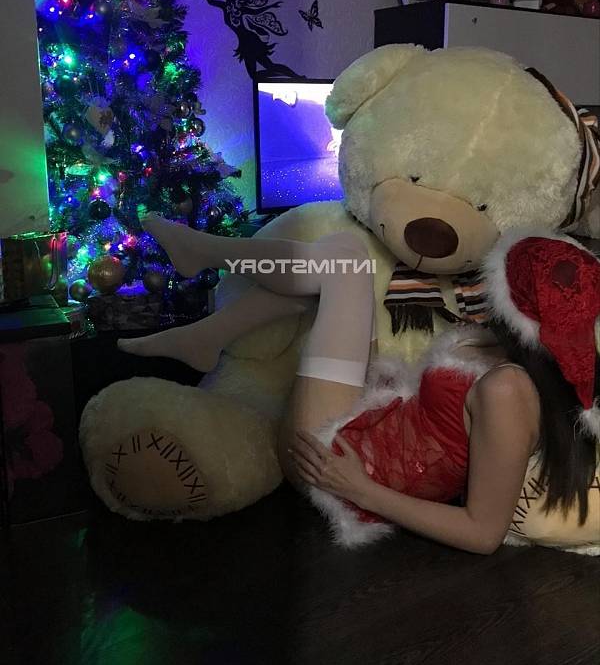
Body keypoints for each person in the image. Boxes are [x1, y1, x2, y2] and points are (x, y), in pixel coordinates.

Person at [119, 217, 600, 554]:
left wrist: (359, 489)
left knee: (343, 267)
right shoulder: (512, 354)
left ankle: (206, 258)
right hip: (372, 424)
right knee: (340, 260)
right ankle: (206, 334)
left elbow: (482, 534)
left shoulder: (509, 389)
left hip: (341, 463)